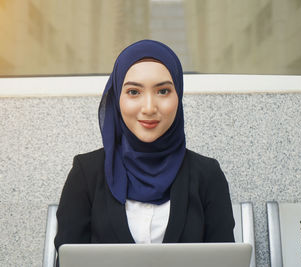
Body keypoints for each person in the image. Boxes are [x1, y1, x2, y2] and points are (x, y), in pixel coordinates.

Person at [54, 40, 235, 253]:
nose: (149, 108)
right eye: (133, 92)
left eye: (163, 91)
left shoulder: (207, 175)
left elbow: (225, 260)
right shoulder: (86, 173)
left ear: (179, 96)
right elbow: (69, 261)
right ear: (117, 99)